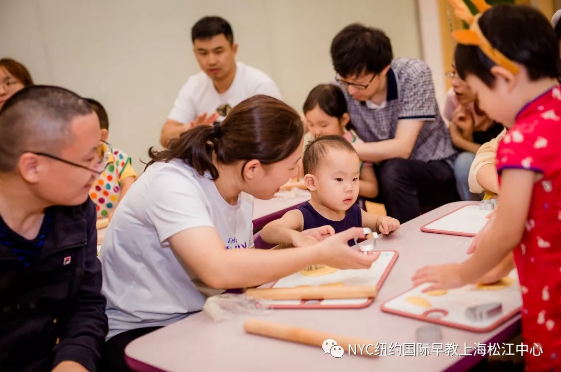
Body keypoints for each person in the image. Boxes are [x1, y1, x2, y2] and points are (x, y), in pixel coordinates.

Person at [99, 95, 378, 371]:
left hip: (201, 315)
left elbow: (241, 262)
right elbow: (217, 269)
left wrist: (295, 244)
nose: (294, 175)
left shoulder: (240, 189)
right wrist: (313, 254)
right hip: (142, 331)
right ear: (253, 168)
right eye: (291, 166)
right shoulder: (172, 183)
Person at [412, 4, 561, 371]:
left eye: (479, 94)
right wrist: (503, 265)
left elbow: (508, 228)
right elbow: (544, 217)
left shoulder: (522, 139)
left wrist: (465, 273)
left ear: (503, 78)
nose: (485, 110)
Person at [0, 86, 108, 371]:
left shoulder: (77, 212)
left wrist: (75, 361)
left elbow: (87, 305)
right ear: (32, 167)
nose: (98, 170)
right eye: (87, 160)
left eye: (100, 154)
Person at [330, 24, 458, 223]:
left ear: (384, 69)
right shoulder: (342, 86)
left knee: (394, 169)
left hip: (434, 169)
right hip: (384, 176)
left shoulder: (413, 75)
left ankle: (407, 243)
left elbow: (402, 148)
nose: (352, 90)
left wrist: (339, 150)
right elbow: (319, 119)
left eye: (359, 82)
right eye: (345, 81)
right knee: (339, 175)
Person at [159, 16, 282, 147]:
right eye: (203, 53)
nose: (211, 61)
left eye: (218, 51)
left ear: (234, 49)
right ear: (195, 53)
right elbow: (165, 138)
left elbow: (278, 136)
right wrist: (190, 130)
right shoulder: (194, 85)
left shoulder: (259, 86)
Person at [261, 136, 399, 248]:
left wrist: (384, 221)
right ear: (312, 183)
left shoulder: (354, 212)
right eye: (339, 179)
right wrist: (296, 237)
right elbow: (268, 232)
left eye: (355, 178)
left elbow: (376, 222)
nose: (349, 187)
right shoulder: (301, 216)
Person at [300, 84, 378, 198]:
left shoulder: (357, 147)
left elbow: (372, 189)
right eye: (310, 124)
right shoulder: (315, 146)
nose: (316, 131)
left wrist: (340, 181)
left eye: (324, 125)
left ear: (344, 120)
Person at [443, 64, 503, 201]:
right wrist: (467, 134)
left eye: (462, 75)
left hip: (499, 164)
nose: (454, 83)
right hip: (481, 160)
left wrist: (461, 141)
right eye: (453, 72)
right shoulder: (454, 98)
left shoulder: (504, 104)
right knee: (464, 162)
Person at [85, 98, 137, 220]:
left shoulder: (119, 158)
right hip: (88, 227)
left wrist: (119, 209)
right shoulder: (72, 163)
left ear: (102, 135)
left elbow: (129, 185)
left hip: (115, 220)